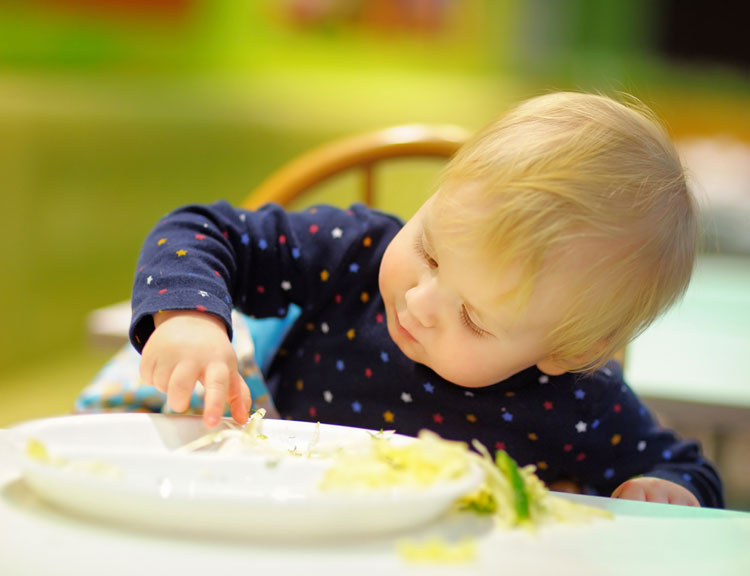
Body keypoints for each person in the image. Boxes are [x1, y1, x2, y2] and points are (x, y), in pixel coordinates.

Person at [130, 91, 723, 508]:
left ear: (564, 351)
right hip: (275, 506)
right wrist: (189, 315)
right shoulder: (354, 255)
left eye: (473, 317)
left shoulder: (576, 399)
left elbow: (685, 470)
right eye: (431, 251)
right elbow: (203, 231)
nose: (421, 300)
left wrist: (665, 490)